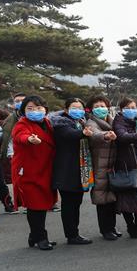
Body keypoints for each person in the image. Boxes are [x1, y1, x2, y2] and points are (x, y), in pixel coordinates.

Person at [11, 95, 59, 249]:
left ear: (45, 109)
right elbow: (20, 136)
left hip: (44, 170)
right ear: (23, 111)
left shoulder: (47, 123)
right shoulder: (22, 124)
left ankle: (34, 236)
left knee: (42, 205)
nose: (35, 111)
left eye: (39, 108)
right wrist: (30, 139)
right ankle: (41, 238)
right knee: (35, 206)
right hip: (28, 172)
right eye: (30, 108)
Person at [50, 98, 94, 245]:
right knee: (69, 204)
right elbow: (70, 135)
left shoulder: (81, 122)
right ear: (67, 110)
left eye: (80, 107)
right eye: (74, 107)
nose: (77, 110)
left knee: (76, 202)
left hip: (79, 169)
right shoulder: (61, 123)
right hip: (66, 169)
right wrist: (83, 133)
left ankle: (74, 233)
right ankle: (72, 235)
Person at [113, 98, 137, 238]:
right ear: (122, 109)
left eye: (134, 107)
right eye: (128, 107)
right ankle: (131, 226)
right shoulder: (118, 122)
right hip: (126, 165)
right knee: (126, 197)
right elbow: (122, 136)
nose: (132, 110)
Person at [85, 95, 121, 240]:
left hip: (112, 165)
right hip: (99, 165)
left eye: (103, 105)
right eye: (97, 106)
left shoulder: (112, 120)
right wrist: (106, 135)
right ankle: (105, 230)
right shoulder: (91, 122)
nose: (101, 109)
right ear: (92, 110)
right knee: (102, 199)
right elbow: (95, 135)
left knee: (112, 198)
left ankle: (112, 227)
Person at [0, 93, 25, 214]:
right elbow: (5, 137)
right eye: (17, 101)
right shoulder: (10, 119)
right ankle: (25, 203)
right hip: (14, 154)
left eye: (22, 100)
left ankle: (50, 202)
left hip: (34, 153)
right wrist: (8, 153)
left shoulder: (37, 117)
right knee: (19, 180)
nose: (19, 103)